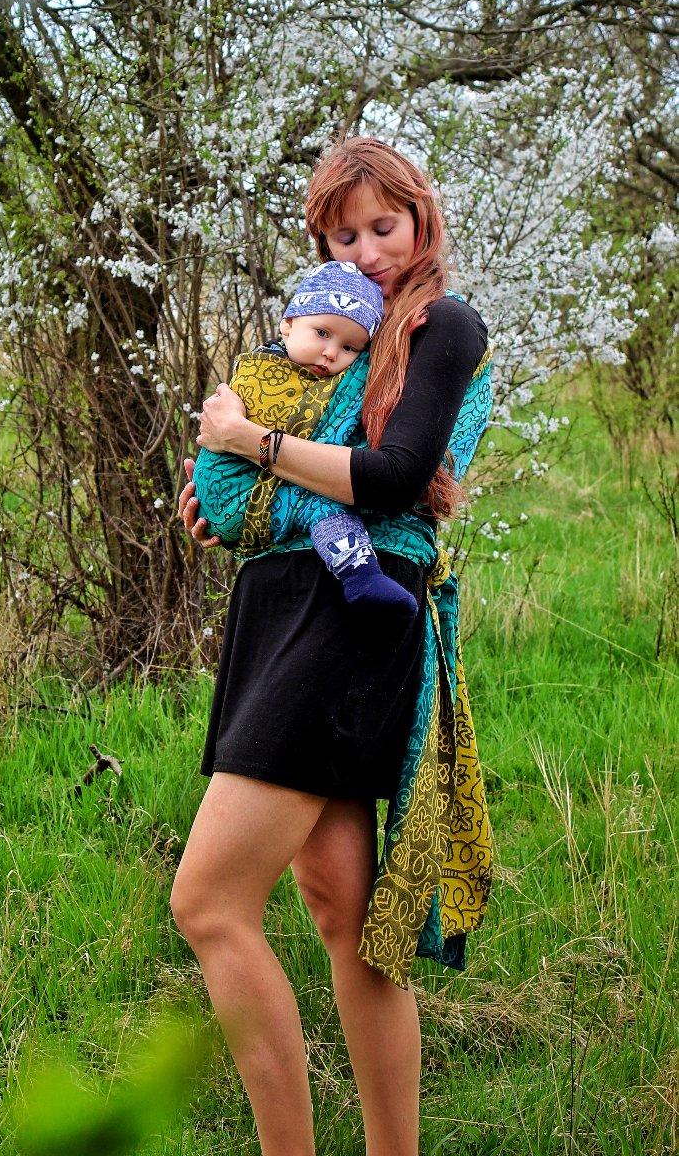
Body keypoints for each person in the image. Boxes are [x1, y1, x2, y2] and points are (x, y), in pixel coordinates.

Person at [170, 136, 494, 1156]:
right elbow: (283, 466)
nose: (366, 253)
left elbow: (393, 476)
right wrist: (227, 502)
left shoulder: (442, 324)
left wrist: (251, 447)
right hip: (284, 609)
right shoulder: (332, 336)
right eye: (342, 237)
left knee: (209, 901)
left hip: (345, 618)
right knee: (343, 915)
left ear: (421, 216)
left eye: (382, 227)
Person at [193, 256, 419, 616]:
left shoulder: (295, 370)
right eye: (322, 333)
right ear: (287, 324)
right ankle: (360, 574)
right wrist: (397, 340)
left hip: (219, 511)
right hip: (234, 496)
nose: (331, 352)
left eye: (350, 348)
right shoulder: (261, 374)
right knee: (319, 501)